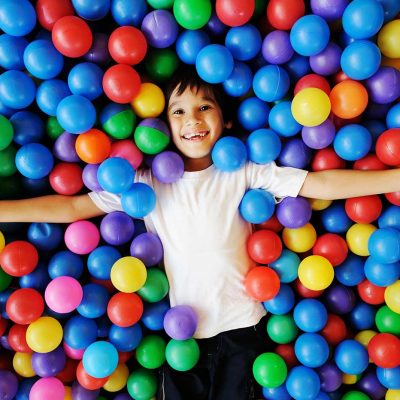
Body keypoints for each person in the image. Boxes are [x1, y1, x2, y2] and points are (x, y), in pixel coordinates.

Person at [1, 67, 400, 400]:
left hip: (244, 328)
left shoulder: (241, 170)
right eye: (179, 111)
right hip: (182, 337)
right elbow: (72, 207)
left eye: (204, 107)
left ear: (224, 119)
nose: (193, 120)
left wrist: (392, 178)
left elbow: (319, 184)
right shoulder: (148, 184)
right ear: (162, 127)